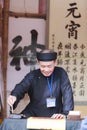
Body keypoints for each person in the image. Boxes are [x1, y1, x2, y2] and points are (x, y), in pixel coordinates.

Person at [7, 49, 74, 119]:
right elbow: (21, 86)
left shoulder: (60, 73)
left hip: (56, 115)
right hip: (33, 113)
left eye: (49, 66)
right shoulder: (33, 75)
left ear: (55, 63)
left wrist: (66, 114)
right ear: (38, 63)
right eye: (43, 66)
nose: (46, 70)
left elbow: (67, 94)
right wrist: (14, 96)